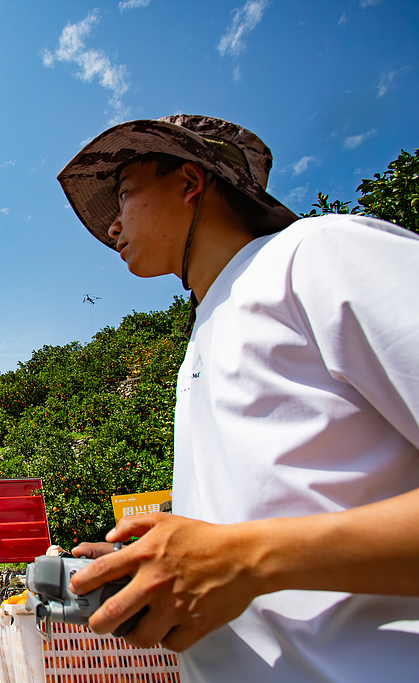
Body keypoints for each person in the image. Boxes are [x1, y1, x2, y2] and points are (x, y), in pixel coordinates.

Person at [58, 114, 419, 682]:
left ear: (190, 181)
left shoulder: (317, 255)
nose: (113, 227)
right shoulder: (201, 337)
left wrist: (244, 558)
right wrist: (167, 564)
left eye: (125, 194)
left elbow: (242, 554)